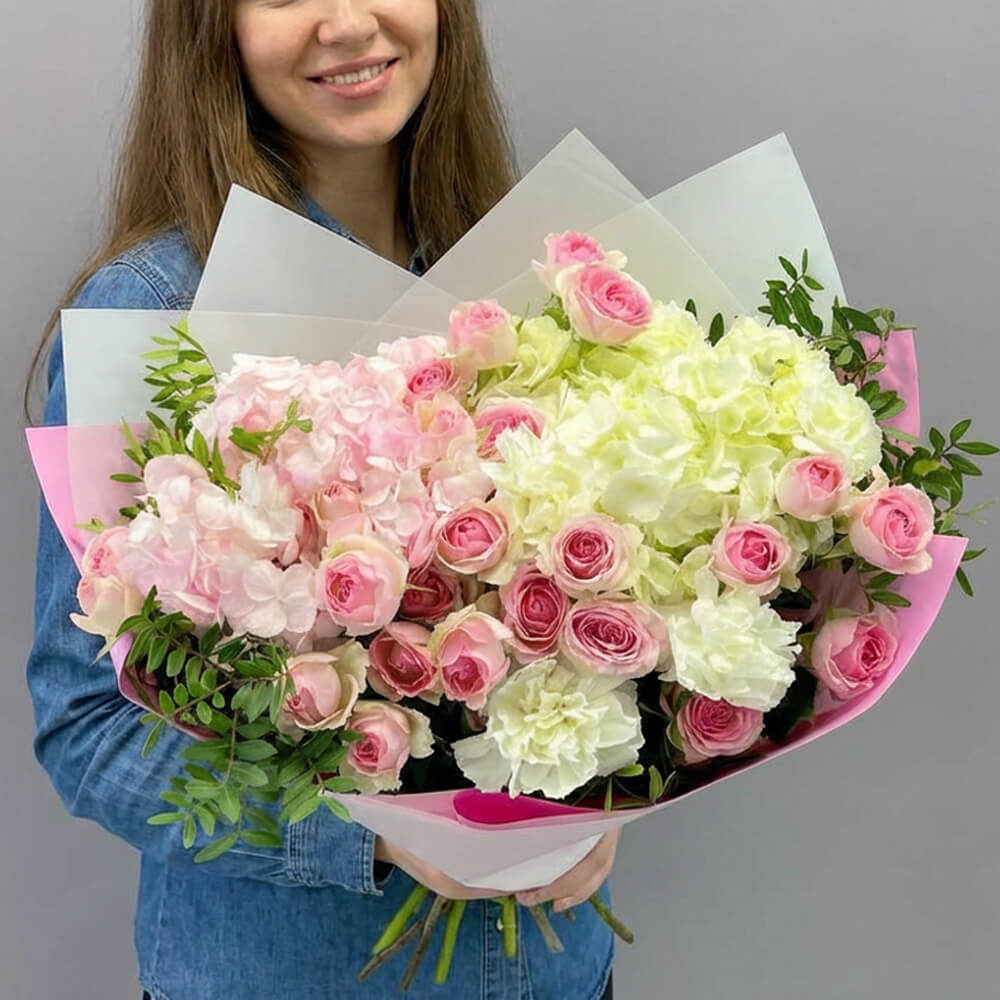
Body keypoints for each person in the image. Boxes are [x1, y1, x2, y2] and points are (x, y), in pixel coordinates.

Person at [25, 3, 619, 998]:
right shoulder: (156, 313)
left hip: (555, 973)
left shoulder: (536, 286)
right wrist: (372, 835)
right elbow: (88, 723)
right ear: (210, 29)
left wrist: (600, 781)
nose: (346, 21)